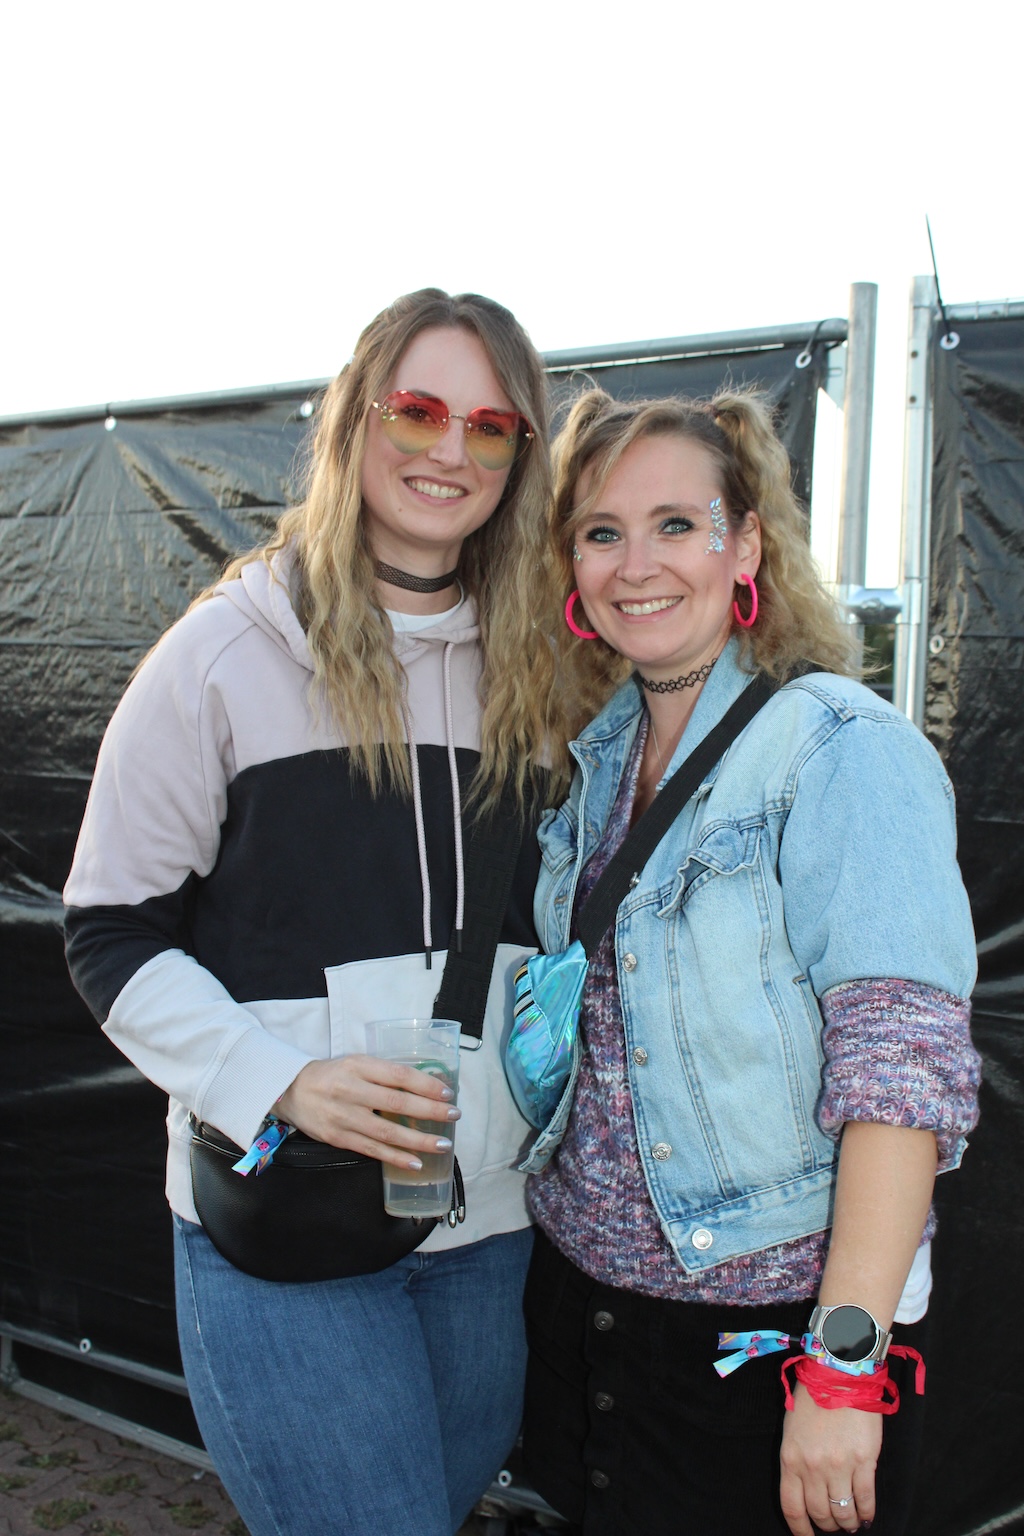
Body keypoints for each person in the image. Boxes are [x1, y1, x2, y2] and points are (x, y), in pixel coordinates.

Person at [63, 289, 570, 1536]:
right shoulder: (223, 654)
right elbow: (108, 929)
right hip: (291, 1214)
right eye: (419, 410)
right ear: (353, 419)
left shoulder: (546, 670)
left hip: (488, 1225)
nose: (451, 451)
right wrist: (278, 1081)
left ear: (521, 457)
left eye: (491, 427)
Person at [519, 388, 981, 1536]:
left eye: (677, 524)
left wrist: (842, 1370)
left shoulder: (840, 748)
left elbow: (901, 1081)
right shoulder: (597, 762)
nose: (637, 565)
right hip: (580, 1315)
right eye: (602, 531)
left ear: (745, 546)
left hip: (763, 1345)